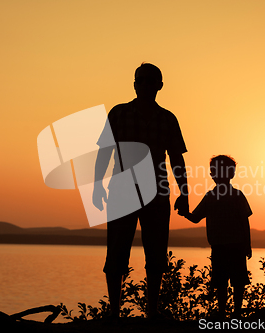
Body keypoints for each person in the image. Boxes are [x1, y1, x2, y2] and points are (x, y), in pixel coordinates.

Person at [92, 63, 189, 319]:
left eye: (150, 80)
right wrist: (96, 185)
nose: (145, 84)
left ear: (160, 85)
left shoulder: (168, 119)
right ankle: (114, 312)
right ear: (135, 84)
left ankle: (152, 310)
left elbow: (176, 158)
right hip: (121, 192)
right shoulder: (118, 114)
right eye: (141, 80)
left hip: (157, 194)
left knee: (156, 253)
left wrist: (185, 192)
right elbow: (104, 152)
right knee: (116, 252)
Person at [178, 155, 252, 317]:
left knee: (233, 281)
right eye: (213, 171)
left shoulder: (233, 196)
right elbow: (196, 217)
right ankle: (225, 313)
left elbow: (244, 222)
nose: (215, 174)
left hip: (235, 246)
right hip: (221, 246)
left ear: (230, 174)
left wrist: (247, 245)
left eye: (217, 171)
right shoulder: (213, 197)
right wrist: (184, 212)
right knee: (223, 281)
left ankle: (233, 313)